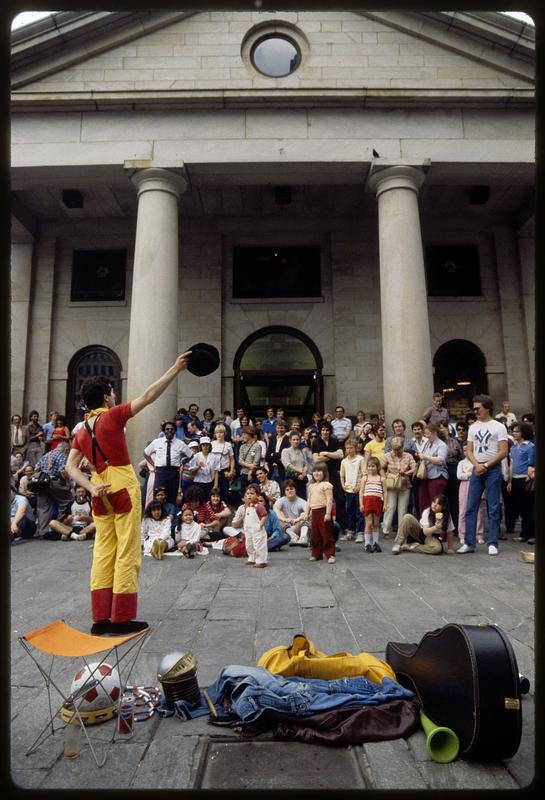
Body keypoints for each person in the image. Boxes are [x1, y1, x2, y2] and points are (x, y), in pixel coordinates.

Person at [65, 349, 192, 636]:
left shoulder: (81, 430)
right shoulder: (112, 417)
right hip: (122, 486)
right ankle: (121, 618)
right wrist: (174, 369)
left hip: (100, 491)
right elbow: (148, 396)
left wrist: (91, 486)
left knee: (103, 551)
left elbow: (71, 467)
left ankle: (100, 619)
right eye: (111, 392)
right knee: (128, 552)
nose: (114, 396)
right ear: (106, 396)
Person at [457, 395, 508, 556]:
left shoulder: (498, 427)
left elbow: (503, 451)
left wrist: (485, 465)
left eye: (478, 408)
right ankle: (469, 542)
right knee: (471, 507)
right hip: (477, 468)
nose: (475, 411)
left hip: (492, 468)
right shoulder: (473, 427)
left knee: (493, 507)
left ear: (487, 408)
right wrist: (477, 465)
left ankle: (492, 543)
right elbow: (470, 450)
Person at [144, 421, 193, 505]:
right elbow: (146, 453)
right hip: (160, 473)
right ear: (164, 431)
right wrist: (154, 465)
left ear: (175, 431)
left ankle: (171, 516)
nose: (169, 431)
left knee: (172, 496)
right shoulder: (157, 442)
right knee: (158, 495)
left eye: (172, 429)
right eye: (167, 429)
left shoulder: (180, 443)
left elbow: (190, 455)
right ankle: (158, 516)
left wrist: (182, 463)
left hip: (174, 473)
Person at [34, 442, 74, 540]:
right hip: (54, 481)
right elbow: (62, 470)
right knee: (68, 499)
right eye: (68, 452)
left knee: (44, 507)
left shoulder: (47, 454)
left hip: (42, 483)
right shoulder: (61, 455)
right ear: (66, 450)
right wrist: (68, 482)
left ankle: (42, 532)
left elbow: (36, 468)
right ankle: (58, 525)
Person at [311, 422, 346, 532]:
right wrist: (333, 455)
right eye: (323, 430)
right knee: (324, 499)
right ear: (320, 431)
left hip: (335, 473)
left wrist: (325, 453)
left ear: (330, 431)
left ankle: (342, 526)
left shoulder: (335, 441)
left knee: (339, 498)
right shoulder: (316, 442)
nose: (325, 432)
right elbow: (316, 459)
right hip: (321, 474)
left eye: (327, 430)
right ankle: (325, 524)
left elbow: (341, 455)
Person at [223, 484, 268, 568]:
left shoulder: (259, 506)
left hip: (257, 530)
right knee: (249, 544)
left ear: (257, 495)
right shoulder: (247, 506)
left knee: (259, 545)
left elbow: (264, 516)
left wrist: (260, 524)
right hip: (248, 530)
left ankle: (261, 560)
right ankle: (252, 558)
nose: (249, 495)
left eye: (251, 493)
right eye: (247, 493)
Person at [380, 436, 416, 540]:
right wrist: (384, 477)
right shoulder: (387, 455)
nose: (396, 451)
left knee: (403, 508)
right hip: (391, 484)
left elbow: (414, 468)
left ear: (402, 447)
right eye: (394, 449)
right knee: (390, 507)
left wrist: (406, 472)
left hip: (405, 484)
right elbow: (381, 468)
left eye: (398, 449)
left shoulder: (408, 456)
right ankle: (386, 530)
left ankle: (401, 531)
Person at [507, 422, 535, 544]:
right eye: (513, 431)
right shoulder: (513, 447)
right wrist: (510, 480)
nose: (514, 433)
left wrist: (530, 475)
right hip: (515, 479)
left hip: (526, 479)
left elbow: (532, 462)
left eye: (517, 431)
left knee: (529, 508)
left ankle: (532, 534)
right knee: (520, 508)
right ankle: (524, 533)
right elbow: (512, 464)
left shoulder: (530, 446)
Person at [306, 461, 336, 563]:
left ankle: (330, 554)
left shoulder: (327, 485)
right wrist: (307, 513)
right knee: (315, 535)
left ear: (324, 472)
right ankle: (316, 554)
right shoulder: (311, 486)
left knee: (326, 534)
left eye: (319, 471)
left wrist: (328, 513)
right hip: (314, 513)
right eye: (314, 471)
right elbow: (309, 501)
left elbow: (329, 500)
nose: (316, 473)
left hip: (324, 511)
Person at [417, 422, 448, 513]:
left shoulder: (442, 445)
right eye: (425, 434)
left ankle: (436, 524)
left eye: (428, 433)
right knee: (423, 503)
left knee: (436, 504)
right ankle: (425, 524)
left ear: (434, 432)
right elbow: (422, 454)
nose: (426, 436)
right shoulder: (426, 443)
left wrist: (426, 457)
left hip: (437, 476)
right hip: (425, 476)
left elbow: (440, 460)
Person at [457, 445, 485, 545]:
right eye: (464, 450)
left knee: (478, 511)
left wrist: (469, 473)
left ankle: (479, 534)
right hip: (464, 486)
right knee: (463, 510)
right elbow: (459, 475)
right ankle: (462, 534)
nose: (466, 452)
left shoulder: (478, 462)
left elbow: (480, 473)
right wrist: (469, 474)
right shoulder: (461, 463)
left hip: (477, 485)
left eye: (468, 450)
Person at [339, 438, 365, 542]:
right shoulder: (344, 461)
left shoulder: (360, 459)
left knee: (359, 512)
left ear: (356, 449)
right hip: (348, 490)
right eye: (347, 448)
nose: (349, 450)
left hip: (358, 490)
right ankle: (351, 531)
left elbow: (364, 474)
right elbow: (342, 475)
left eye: (351, 448)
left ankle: (360, 532)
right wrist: (343, 485)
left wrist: (359, 487)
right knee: (349, 511)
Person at [359, 456, 386, 553]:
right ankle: (367, 543)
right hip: (367, 501)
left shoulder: (381, 479)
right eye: (369, 466)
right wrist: (361, 504)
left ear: (377, 467)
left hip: (377, 501)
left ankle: (375, 542)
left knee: (376, 523)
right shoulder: (365, 478)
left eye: (373, 466)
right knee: (369, 523)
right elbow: (361, 491)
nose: (371, 468)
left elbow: (385, 492)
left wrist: (385, 504)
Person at [273, 479, 309, 546]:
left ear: (295, 490)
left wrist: (297, 519)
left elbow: (308, 511)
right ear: (285, 492)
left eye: (291, 489)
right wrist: (284, 519)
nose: (290, 491)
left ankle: (303, 538)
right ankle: (293, 537)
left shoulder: (301, 501)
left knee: (304, 514)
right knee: (278, 515)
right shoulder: (282, 500)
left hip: (297, 526)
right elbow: (275, 508)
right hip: (286, 528)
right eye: (287, 489)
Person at [211, 423, 236, 504]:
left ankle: (224, 507)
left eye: (221, 432)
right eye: (217, 432)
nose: (219, 434)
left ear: (225, 434)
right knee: (213, 491)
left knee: (224, 491)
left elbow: (232, 459)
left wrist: (231, 471)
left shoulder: (228, 445)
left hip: (224, 471)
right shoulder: (211, 444)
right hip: (213, 471)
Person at [281, 431, 311, 499]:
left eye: (297, 439)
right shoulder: (285, 451)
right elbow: (287, 465)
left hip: (301, 480)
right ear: (290, 440)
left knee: (302, 499)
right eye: (294, 439)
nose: (296, 441)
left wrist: (303, 474)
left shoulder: (302, 451)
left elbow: (306, 465)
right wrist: (301, 471)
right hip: (291, 479)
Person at [265, 418, 290, 485]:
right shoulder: (272, 439)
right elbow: (267, 457)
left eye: (281, 428)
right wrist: (277, 456)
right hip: (272, 469)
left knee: (283, 490)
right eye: (278, 428)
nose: (279, 430)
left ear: (285, 429)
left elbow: (285, 456)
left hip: (283, 470)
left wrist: (273, 455)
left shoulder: (288, 440)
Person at [238, 426, 263, 493]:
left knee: (254, 493)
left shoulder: (257, 446)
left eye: (244, 434)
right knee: (244, 494)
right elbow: (240, 461)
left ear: (250, 434)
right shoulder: (242, 446)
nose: (242, 436)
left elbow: (256, 462)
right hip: (243, 473)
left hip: (253, 474)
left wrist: (250, 472)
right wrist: (249, 466)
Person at [192, 436, 216, 500]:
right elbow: (192, 471)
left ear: (209, 446)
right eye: (203, 445)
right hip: (198, 482)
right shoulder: (196, 456)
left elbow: (216, 471)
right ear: (201, 446)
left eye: (207, 445)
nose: (205, 447)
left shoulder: (213, 456)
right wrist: (199, 467)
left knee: (208, 500)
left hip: (209, 482)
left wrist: (215, 485)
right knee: (198, 499)